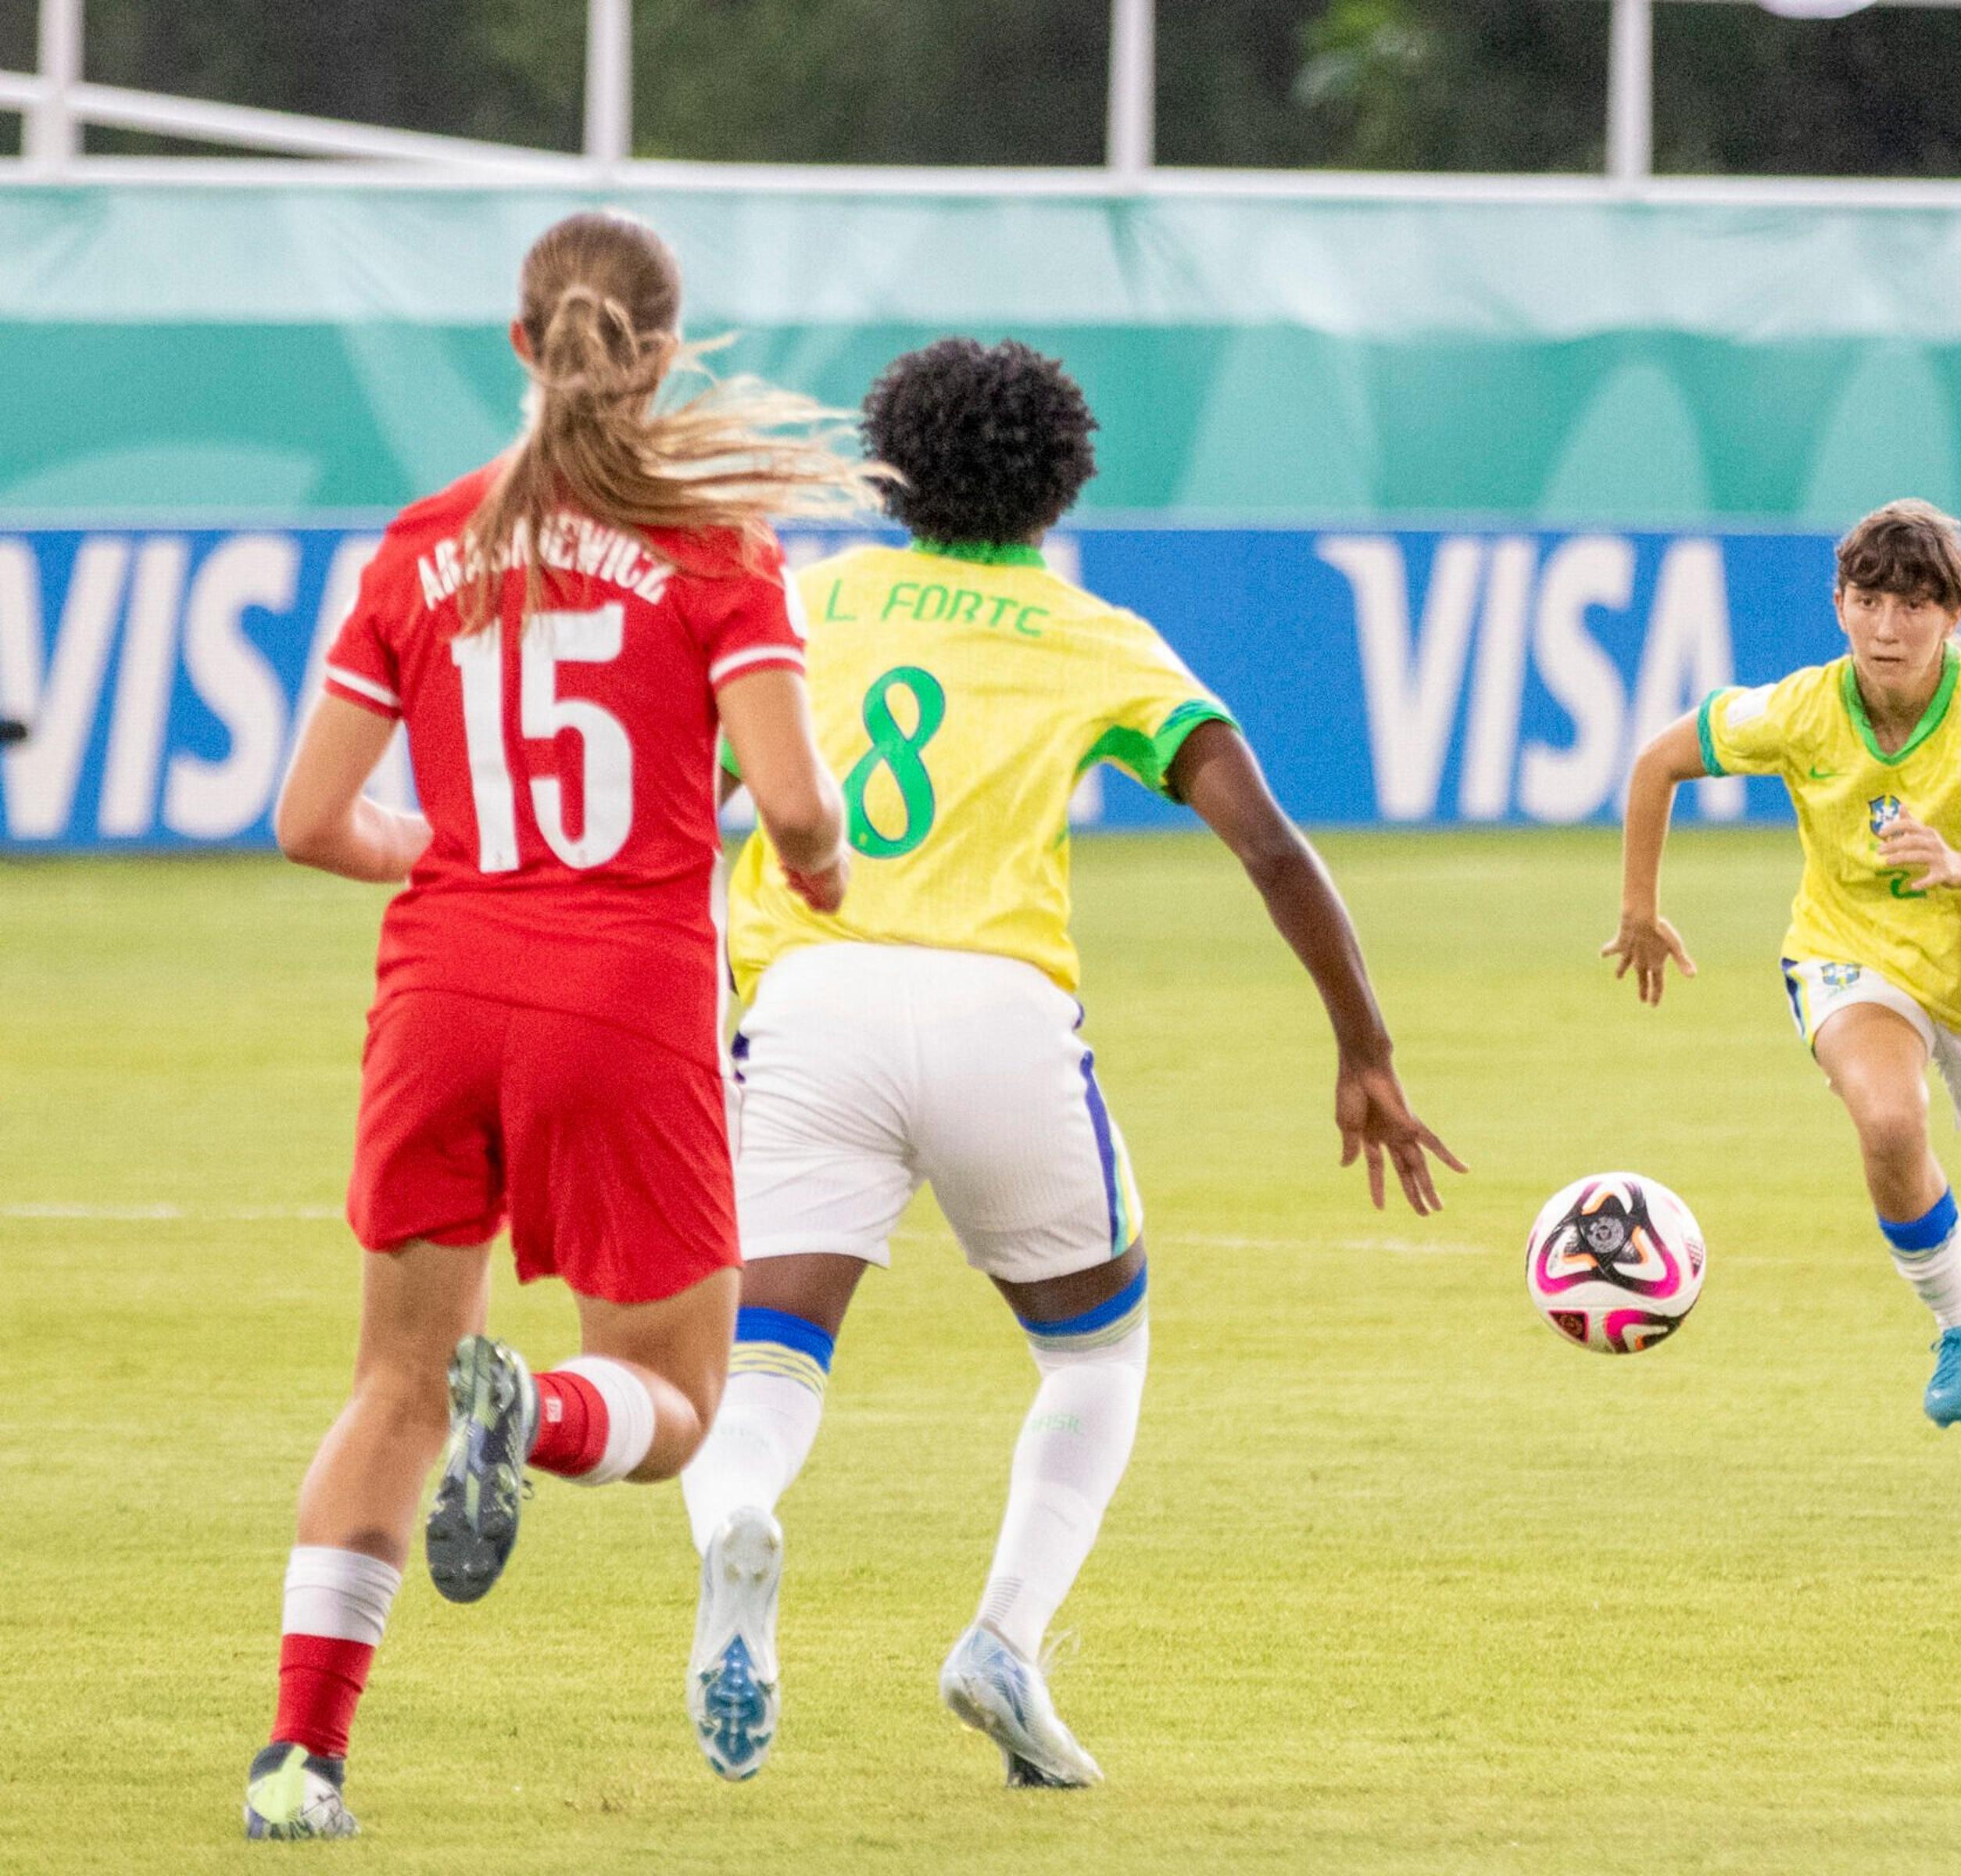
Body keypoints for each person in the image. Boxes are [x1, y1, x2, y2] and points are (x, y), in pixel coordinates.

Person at [677, 336, 1465, 1788]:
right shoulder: (1099, 636)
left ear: (890, 468)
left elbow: (686, 796)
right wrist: (1364, 1046)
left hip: (810, 1001)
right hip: (999, 1018)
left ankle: (737, 1520)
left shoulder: (807, 607)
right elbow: (1269, 841)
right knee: (1097, 1350)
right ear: (1059, 482)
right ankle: (1006, 1638)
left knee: (772, 1351)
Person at [245, 209, 871, 1840]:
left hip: (440, 987)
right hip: (623, 992)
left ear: (520, 344)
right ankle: (540, 1409)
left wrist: (437, 856)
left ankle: (301, 1763)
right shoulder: (716, 548)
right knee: (672, 1398)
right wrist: (821, 865)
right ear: (663, 352)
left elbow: (312, 817)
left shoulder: (420, 543)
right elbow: (795, 799)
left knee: (392, 1379)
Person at [1605, 499, 1961, 1488]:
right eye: (1868, 602)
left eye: (1912, 606)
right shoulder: (1803, 709)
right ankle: (1960, 1329)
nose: (1887, 629)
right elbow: (1657, 763)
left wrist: (1960, 864)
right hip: (1852, 955)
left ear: (1952, 616)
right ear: (1839, 606)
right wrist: (1640, 909)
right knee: (1889, 1120)